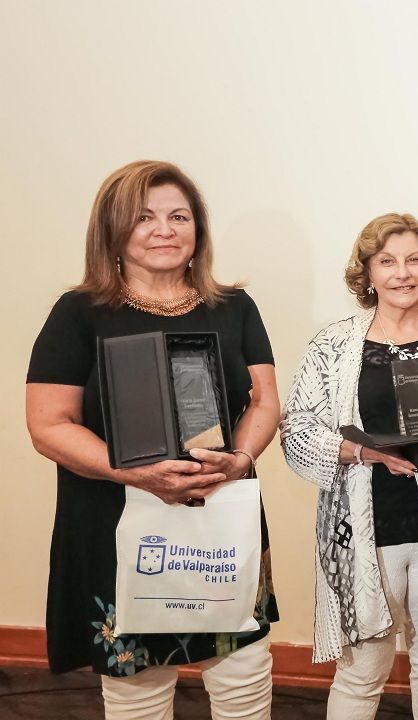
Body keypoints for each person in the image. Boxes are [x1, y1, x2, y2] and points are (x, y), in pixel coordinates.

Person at [25, 160, 279, 719]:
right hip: (117, 518)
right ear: (113, 229)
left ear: (198, 229)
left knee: (242, 670)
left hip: (221, 510)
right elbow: (49, 424)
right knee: (136, 683)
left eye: (179, 217)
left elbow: (264, 402)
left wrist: (238, 460)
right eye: (144, 217)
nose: (164, 229)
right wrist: (135, 473)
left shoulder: (235, 307)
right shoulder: (78, 313)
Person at [280, 212, 418, 720]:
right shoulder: (333, 346)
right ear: (368, 273)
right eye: (387, 261)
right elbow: (297, 431)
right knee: (363, 671)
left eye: (413, 260)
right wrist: (365, 452)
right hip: (367, 531)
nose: (402, 273)